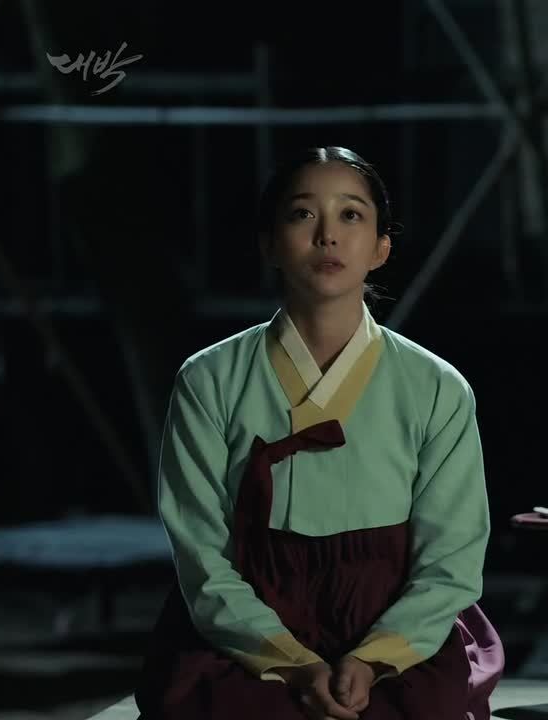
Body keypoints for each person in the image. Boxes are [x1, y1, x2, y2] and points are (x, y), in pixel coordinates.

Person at [135, 146, 504, 720]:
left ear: (381, 247)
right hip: (249, 625)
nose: (328, 235)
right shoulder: (209, 379)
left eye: (351, 214)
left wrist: (372, 661)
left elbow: (451, 557)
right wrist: (296, 665)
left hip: (390, 622)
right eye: (303, 213)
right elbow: (201, 552)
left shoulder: (436, 387)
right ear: (268, 243)